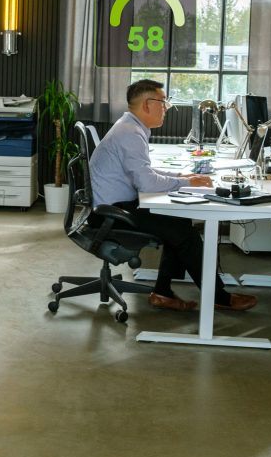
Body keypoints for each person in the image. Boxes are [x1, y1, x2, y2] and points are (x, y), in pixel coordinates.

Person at [89, 79, 257, 312]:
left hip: (115, 206)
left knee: (179, 223)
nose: (166, 108)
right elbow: (146, 182)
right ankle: (218, 297)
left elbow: (144, 171)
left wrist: (182, 175)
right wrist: (185, 182)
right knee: (184, 233)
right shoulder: (130, 133)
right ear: (147, 104)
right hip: (111, 214)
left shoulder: (130, 127)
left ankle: (163, 292)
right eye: (163, 102)